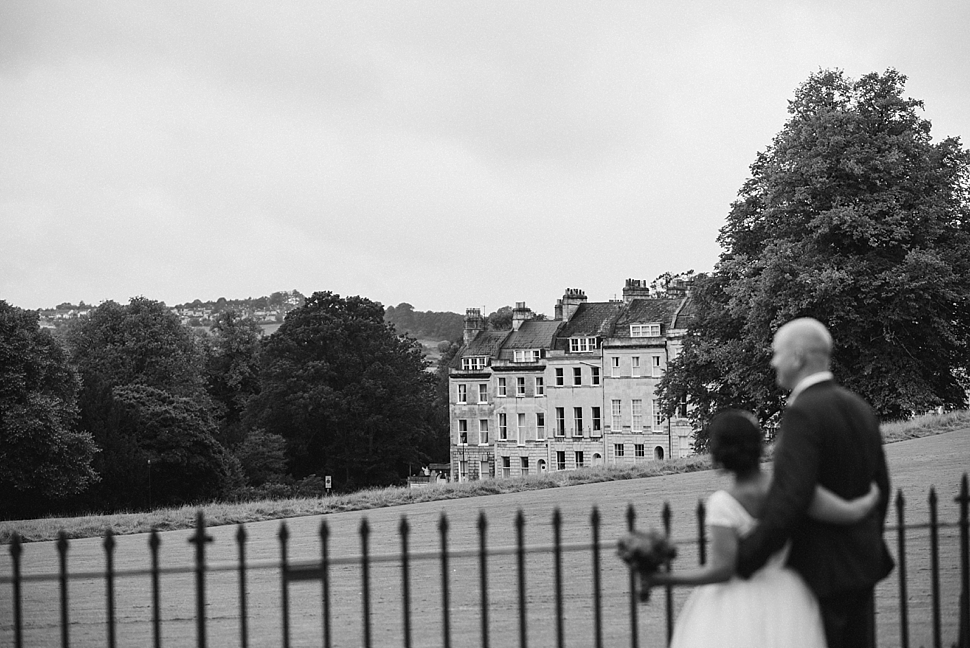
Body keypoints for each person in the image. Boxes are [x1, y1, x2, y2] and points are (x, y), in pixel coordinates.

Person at [642, 410, 879, 648]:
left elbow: (722, 571)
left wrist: (664, 579)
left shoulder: (722, 504)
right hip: (787, 595)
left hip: (734, 605)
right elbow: (847, 512)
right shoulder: (789, 488)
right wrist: (870, 498)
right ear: (758, 445)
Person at [736, 317, 893, 648]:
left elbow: (791, 497)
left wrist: (747, 556)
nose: (772, 361)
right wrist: (863, 540)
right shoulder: (858, 406)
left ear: (797, 357)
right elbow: (882, 485)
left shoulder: (803, 412)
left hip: (821, 572)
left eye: (776, 353)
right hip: (862, 566)